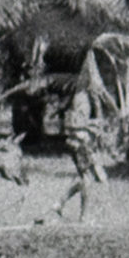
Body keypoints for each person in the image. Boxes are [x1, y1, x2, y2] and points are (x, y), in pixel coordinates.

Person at [51, 53, 109, 221]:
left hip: (81, 141)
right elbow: (75, 123)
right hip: (80, 141)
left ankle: (59, 203)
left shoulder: (84, 97)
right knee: (88, 178)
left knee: (90, 178)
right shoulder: (81, 98)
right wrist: (95, 125)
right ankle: (84, 216)